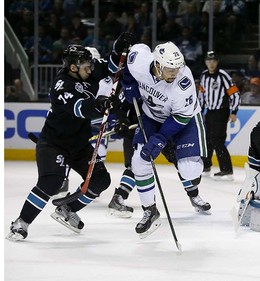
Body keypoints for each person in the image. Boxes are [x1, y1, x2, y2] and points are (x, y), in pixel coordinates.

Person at [6, 45, 116, 241]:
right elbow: (81, 108)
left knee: (101, 180)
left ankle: (68, 209)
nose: (90, 70)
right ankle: (21, 223)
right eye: (86, 67)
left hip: (80, 145)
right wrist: (99, 104)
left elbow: (111, 65)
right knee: (52, 182)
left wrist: (119, 48)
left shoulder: (86, 71)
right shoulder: (61, 86)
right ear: (73, 67)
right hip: (54, 144)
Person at [109, 39, 211, 238]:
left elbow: (181, 117)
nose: (175, 73)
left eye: (177, 68)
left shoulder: (183, 83)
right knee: (139, 161)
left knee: (189, 170)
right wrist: (128, 85)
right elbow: (130, 63)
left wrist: (162, 137)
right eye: (170, 69)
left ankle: (188, 171)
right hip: (152, 116)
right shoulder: (140, 60)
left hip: (184, 119)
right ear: (156, 64)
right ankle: (150, 210)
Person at [198, 51, 240, 181]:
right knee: (207, 140)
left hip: (221, 111)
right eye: (209, 61)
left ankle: (226, 169)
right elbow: (201, 95)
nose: (211, 63)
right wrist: (201, 111)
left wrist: (234, 112)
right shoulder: (204, 76)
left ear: (217, 62)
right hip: (209, 112)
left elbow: (235, 94)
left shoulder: (223, 76)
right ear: (205, 62)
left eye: (213, 61)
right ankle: (206, 167)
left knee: (217, 140)